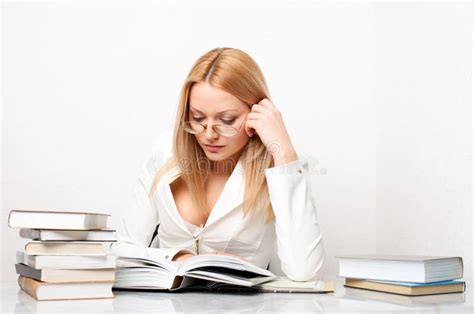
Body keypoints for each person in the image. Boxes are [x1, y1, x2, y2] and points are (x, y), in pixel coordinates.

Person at [111, 47, 324, 281]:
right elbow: (122, 251)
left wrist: (283, 152)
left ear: (255, 112)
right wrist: (181, 258)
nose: (209, 135)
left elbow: (304, 271)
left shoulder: (277, 166)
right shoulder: (165, 149)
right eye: (198, 118)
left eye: (226, 120)